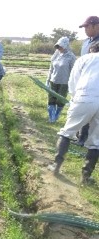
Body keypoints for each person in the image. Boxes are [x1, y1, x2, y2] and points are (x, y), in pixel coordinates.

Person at [47, 41, 99, 185]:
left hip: (84, 97)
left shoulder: (84, 59)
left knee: (67, 132)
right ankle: (85, 177)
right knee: (96, 141)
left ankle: (55, 166)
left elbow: (73, 82)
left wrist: (75, 98)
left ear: (91, 50)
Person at [74, 16, 99, 146]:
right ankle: (80, 136)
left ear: (95, 25)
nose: (85, 30)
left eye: (87, 27)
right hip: (83, 79)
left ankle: (87, 139)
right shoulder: (86, 42)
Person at [45, 37, 76, 123]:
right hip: (53, 80)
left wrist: (73, 84)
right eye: (58, 46)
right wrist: (48, 80)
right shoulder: (56, 55)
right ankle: (51, 117)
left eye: (61, 46)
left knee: (60, 100)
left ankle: (56, 115)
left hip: (64, 83)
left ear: (66, 46)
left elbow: (74, 71)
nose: (59, 48)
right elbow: (51, 69)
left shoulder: (71, 57)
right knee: (51, 99)